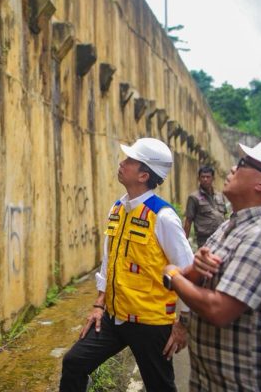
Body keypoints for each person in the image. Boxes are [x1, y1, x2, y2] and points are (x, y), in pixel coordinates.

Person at [161, 139, 261, 390]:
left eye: (243, 163)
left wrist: (172, 274)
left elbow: (218, 309)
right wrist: (193, 270)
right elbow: (191, 279)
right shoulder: (229, 228)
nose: (232, 168)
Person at [60, 138, 194, 392]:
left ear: (144, 175)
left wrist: (183, 324)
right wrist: (99, 304)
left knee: (160, 387)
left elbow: (188, 271)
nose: (122, 163)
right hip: (114, 318)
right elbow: (109, 260)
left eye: (130, 160)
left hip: (151, 323)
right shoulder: (118, 209)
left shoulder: (163, 217)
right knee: (74, 362)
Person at [183, 165, 229, 247]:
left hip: (221, 238)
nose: (205, 179)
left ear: (213, 178)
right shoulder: (194, 197)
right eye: (203, 177)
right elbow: (188, 221)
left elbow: (224, 217)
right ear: (199, 179)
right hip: (205, 241)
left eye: (208, 177)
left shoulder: (220, 196)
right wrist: (184, 243)